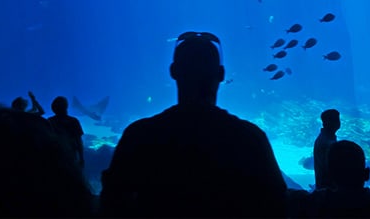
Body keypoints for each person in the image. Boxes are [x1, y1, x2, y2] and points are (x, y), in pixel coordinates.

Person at [99, 31, 287, 217]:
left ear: (173, 71)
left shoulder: (139, 135)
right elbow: (277, 206)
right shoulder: (250, 138)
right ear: (221, 74)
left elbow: (111, 205)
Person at [47, 96, 85, 169]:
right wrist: (81, 157)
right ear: (66, 107)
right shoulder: (74, 121)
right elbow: (79, 141)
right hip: (70, 154)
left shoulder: (50, 121)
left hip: (54, 155)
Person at [313, 109, 340, 191]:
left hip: (325, 189)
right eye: (336, 120)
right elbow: (332, 168)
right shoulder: (328, 143)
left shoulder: (326, 138)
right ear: (326, 122)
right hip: (329, 190)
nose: (338, 123)